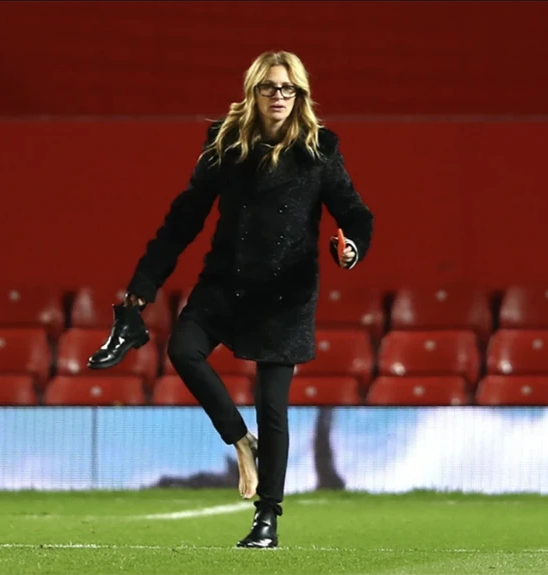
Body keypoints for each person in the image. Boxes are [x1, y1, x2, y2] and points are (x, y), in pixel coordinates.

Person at [87, 50, 374, 549]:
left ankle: (268, 518)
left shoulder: (320, 149)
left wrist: (351, 248)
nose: (279, 97)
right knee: (182, 349)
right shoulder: (225, 143)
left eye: (288, 89)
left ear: (300, 94)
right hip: (227, 282)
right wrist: (141, 290)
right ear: (254, 91)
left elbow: (355, 212)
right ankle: (240, 440)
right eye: (269, 88)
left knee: (273, 407)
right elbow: (183, 220)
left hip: (286, 292)